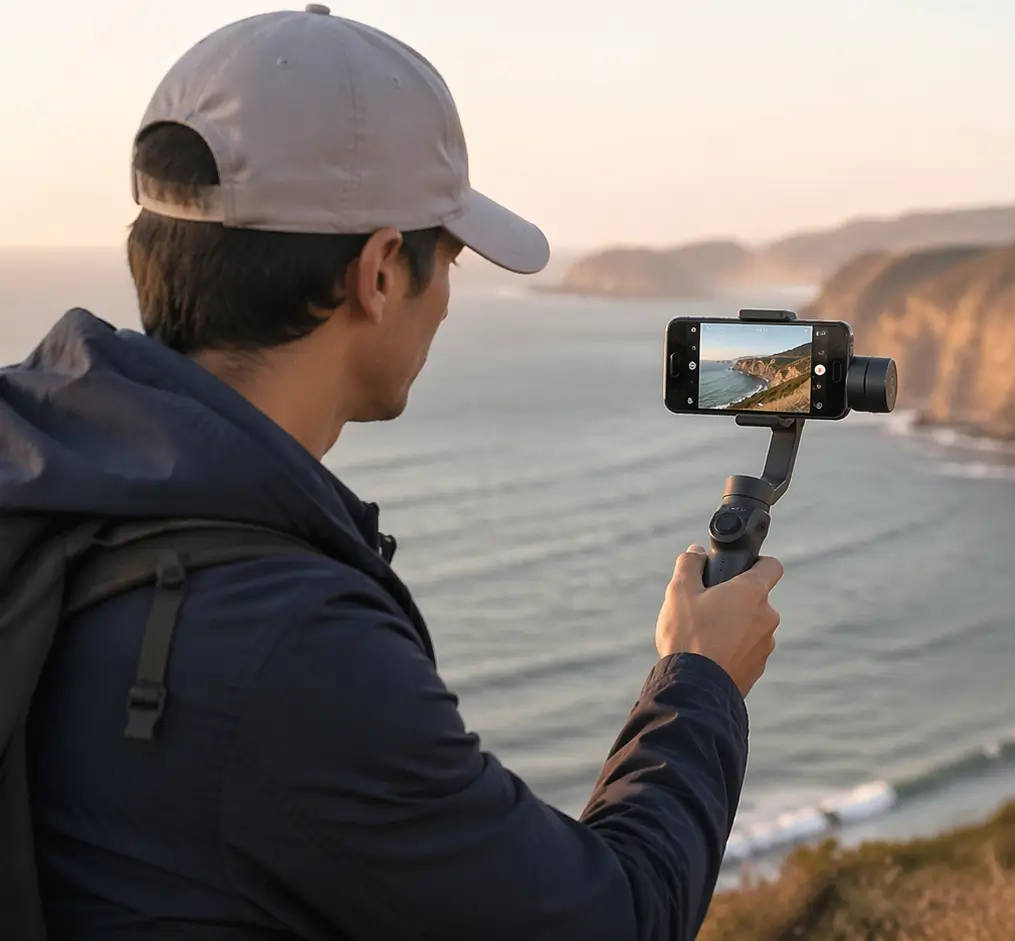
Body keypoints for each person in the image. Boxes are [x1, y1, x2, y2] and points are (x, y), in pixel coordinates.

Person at [12, 6, 784, 939]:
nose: (450, 302)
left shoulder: (39, 464)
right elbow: (610, 917)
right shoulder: (292, 647)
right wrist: (698, 679)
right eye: (449, 258)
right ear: (380, 273)